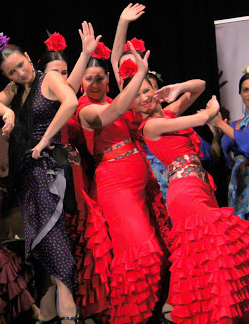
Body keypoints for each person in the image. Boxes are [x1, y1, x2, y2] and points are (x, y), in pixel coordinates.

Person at [132, 70, 249, 323]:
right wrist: (209, 113)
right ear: (131, 105)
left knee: (210, 255)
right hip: (184, 192)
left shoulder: (168, 112)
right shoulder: (151, 125)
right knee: (214, 252)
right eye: (136, 96)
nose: (144, 97)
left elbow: (200, 84)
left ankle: (204, 312)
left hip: (201, 187)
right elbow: (200, 118)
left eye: (146, 90)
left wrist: (177, 87)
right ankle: (215, 315)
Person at [0, 29, 82, 324]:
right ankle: (51, 304)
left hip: (48, 167)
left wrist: (43, 142)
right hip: (27, 173)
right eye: (11, 72)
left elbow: (70, 103)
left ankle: (67, 306)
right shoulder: (17, 90)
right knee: (41, 239)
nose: (19, 72)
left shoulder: (47, 78)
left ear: (29, 58)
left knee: (53, 234)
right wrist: (8, 113)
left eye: (21, 65)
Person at [76, 43, 171, 323]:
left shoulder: (115, 99)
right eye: (89, 78)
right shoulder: (85, 109)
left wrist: (122, 24)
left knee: (159, 252)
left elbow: (118, 65)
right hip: (115, 187)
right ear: (80, 82)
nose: (96, 83)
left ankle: (143, 315)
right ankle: (127, 317)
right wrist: (139, 74)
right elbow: (110, 116)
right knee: (143, 256)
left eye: (101, 77)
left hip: (140, 187)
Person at [36, 25, 112, 321]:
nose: (62, 78)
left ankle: (87, 307)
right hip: (52, 181)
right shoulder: (42, 102)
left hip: (77, 180)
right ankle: (59, 312)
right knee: (60, 247)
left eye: (66, 72)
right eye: (56, 72)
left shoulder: (72, 102)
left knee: (86, 243)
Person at [211, 65, 249, 228]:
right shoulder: (234, 125)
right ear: (240, 93)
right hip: (238, 190)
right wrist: (216, 138)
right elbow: (218, 159)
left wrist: (222, 126)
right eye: (246, 90)